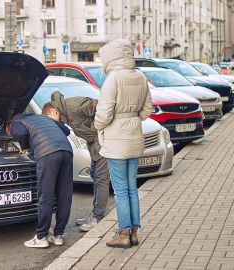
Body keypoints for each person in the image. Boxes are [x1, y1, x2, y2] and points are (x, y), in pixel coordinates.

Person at [94, 39, 152, 248]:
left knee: (119, 190)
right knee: (131, 188)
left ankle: (123, 233)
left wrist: (98, 124)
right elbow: (147, 111)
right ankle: (134, 232)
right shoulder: (141, 76)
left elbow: (104, 114)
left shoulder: (113, 78)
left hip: (116, 141)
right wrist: (132, 116)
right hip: (134, 137)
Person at [44, 92, 110, 232]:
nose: (54, 124)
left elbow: (103, 108)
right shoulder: (65, 114)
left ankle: (98, 217)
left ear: (53, 111)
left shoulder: (74, 105)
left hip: (105, 142)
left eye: (51, 120)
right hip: (95, 145)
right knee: (95, 175)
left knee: (101, 179)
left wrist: (99, 131)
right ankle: (95, 213)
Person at [6, 112, 73, 248]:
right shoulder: (43, 118)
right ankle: (58, 235)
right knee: (64, 196)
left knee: (45, 196)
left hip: (47, 152)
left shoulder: (15, 122)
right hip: (66, 151)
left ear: (8, 126)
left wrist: (24, 147)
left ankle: (42, 237)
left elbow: (21, 134)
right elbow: (66, 130)